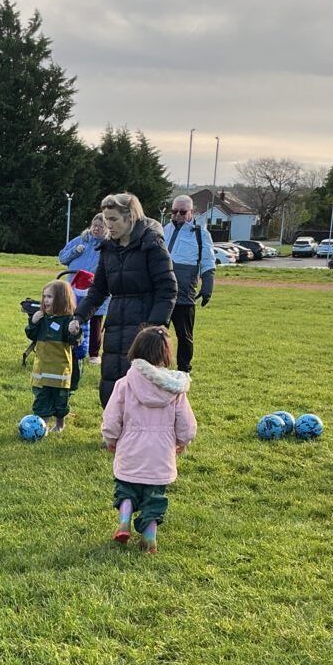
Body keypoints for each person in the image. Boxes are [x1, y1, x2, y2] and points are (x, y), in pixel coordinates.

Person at [71, 192, 178, 408]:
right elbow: (98, 290)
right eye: (106, 219)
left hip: (143, 328)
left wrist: (153, 328)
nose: (108, 225)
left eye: (113, 219)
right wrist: (79, 317)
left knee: (141, 387)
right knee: (112, 385)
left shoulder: (152, 244)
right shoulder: (108, 248)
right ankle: (112, 426)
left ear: (130, 217)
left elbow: (167, 289)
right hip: (115, 326)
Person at [101, 325, 197, 554]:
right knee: (154, 497)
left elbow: (112, 417)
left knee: (126, 489)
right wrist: (183, 441)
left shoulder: (124, 384)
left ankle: (124, 521)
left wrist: (110, 439)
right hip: (161, 454)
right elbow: (186, 422)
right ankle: (149, 536)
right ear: (166, 353)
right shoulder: (174, 388)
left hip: (130, 451)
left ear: (135, 350)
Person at [162, 195, 216, 373]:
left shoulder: (201, 234)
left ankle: (184, 369)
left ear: (192, 212)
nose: (177, 215)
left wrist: (207, 286)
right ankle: (157, 367)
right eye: (174, 211)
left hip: (184, 293)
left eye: (182, 212)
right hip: (161, 292)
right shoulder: (165, 230)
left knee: (184, 335)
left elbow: (208, 262)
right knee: (157, 333)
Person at [24, 279, 77, 432]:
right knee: (41, 399)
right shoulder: (42, 318)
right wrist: (33, 322)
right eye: (44, 296)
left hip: (60, 370)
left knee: (60, 400)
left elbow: (74, 341)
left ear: (61, 299)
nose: (45, 300)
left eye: (49, 297)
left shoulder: (68, 320)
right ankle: (43, 426)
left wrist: (75, 332)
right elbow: (31, 335)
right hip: (42, 369)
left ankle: (60, 424)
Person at [58, 213, 110, 363]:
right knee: (72, 316)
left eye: (101, 227)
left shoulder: (108, 244)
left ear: (107, 228)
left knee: (95, 318)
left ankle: (94, 354)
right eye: (95, 225)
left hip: (95, 287)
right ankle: (71, 347)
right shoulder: (80, 240)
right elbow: (62, 258)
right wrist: (75, 251)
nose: (97, 229)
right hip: (74, 287)